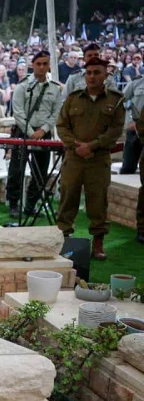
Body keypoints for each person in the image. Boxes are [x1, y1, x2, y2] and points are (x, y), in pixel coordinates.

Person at [55, 57, 124, 260]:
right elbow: (62, 126)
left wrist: (92, 146)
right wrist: (77, 146)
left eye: (97, 72)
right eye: (89, 73)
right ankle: (64, 239)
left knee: (98, 201)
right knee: (68, 198)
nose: (92, 76)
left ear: (105, 75)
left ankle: (98, 243)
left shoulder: (115, 100)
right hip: (74, 158)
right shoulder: (73, 98)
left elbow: (115, 130)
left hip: (98, 159)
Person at [7, 50, 63, 218]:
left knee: (41, 172)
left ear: (49, 66)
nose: (41, 67)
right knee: (17, 169)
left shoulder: (54, 88)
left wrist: (43, 130)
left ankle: (31, 204)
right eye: (38, 64)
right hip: (23, 132)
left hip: (44, 134)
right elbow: (17, 112)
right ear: (33, 65)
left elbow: (56, 112)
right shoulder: (23, 86)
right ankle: (14, 204)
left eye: (45, 64)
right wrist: (32, 132)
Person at [120, 73, 144, 176]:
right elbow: (122, 100)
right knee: (128, 166)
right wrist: (129, 120)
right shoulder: (137, 82)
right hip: (135, 126)